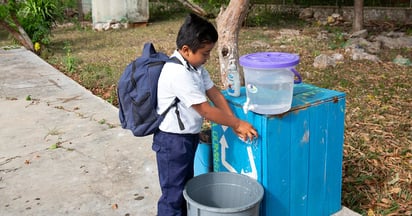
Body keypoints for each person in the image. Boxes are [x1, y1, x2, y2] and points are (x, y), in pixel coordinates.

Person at [152, 13, 258, 216]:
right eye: (204, 53)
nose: (207, 58)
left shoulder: (195, 67)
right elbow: (205, 110)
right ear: (185, 50)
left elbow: (215, 94)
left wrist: (233, 124)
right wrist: (236, 123)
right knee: (172, 195)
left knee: (183, 187)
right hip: (171, 142)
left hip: (187, 137)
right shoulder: (178, 73)